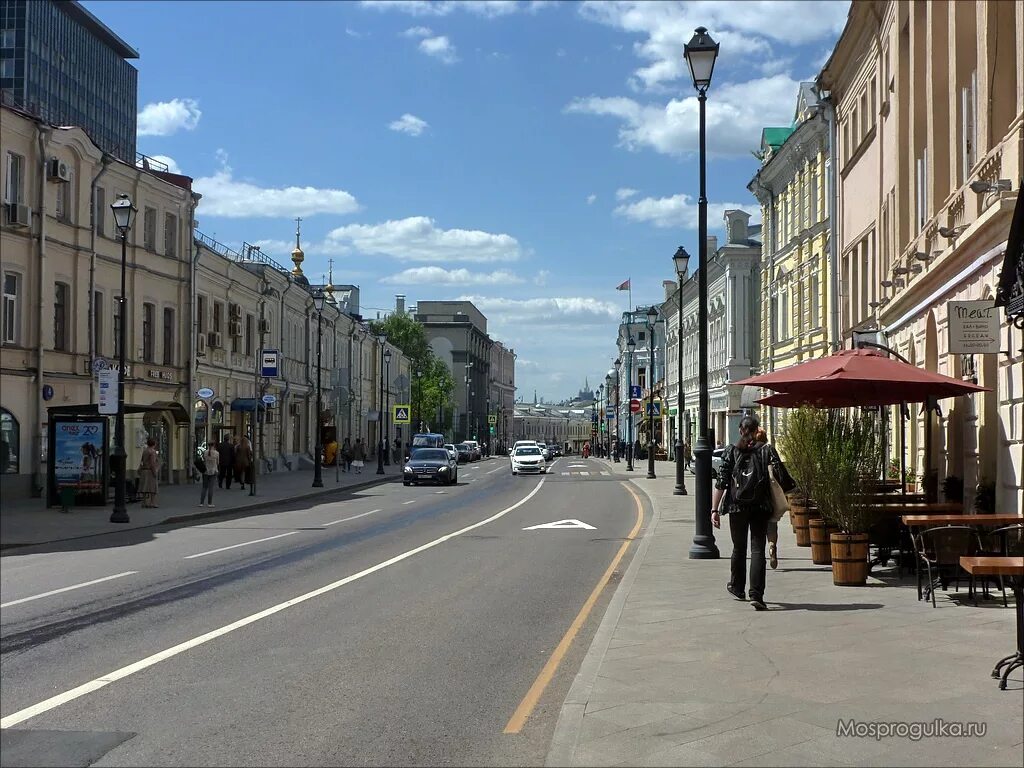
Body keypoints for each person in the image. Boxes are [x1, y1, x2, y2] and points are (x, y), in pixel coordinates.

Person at [710, 414, 792, 611]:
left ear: (740, 430)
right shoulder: (767, 450)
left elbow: (721, 482)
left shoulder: (730, 451)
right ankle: (757, 594)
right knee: (757, 549)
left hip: (736, 506)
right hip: (760, 507)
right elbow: (783, 478)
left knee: (739, 548)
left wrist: (714, 510)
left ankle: (737, 587)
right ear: (757, 431)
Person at [755, 426, 780, 569]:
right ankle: (772, 546)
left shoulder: (751, 451)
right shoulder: (770, 450)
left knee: (758, 526)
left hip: (755, 496)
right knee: (772, 524)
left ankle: (759, 554)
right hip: (769, 495)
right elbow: (778, 470)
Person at [138, 438, 160, 508]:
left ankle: (144, 502)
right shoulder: (152, 452)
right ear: (154, 444)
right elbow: (152, 463)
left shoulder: (145, 451)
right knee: (153, 488)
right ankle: (152, 502)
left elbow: (141, 461)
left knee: (144, 487)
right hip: (150, 471)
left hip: (144, 471)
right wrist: (155, 472)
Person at [200, 442, 219, 507]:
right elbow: (218, 463)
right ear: (214, 445)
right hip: (213, 471)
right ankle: (209, 503)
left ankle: (201, 503)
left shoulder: (205, 452)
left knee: (204, 487)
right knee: (211, 488)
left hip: (205, 471)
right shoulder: (216, 453)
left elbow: (204, 461)